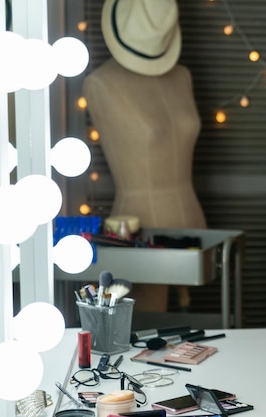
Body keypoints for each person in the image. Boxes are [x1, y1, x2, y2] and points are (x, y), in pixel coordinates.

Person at [83, 0, 206, 312]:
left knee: (198, 333)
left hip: (193, 216)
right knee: (148, 328)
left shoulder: (182, 76)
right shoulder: (102, 84)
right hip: (138, 222)